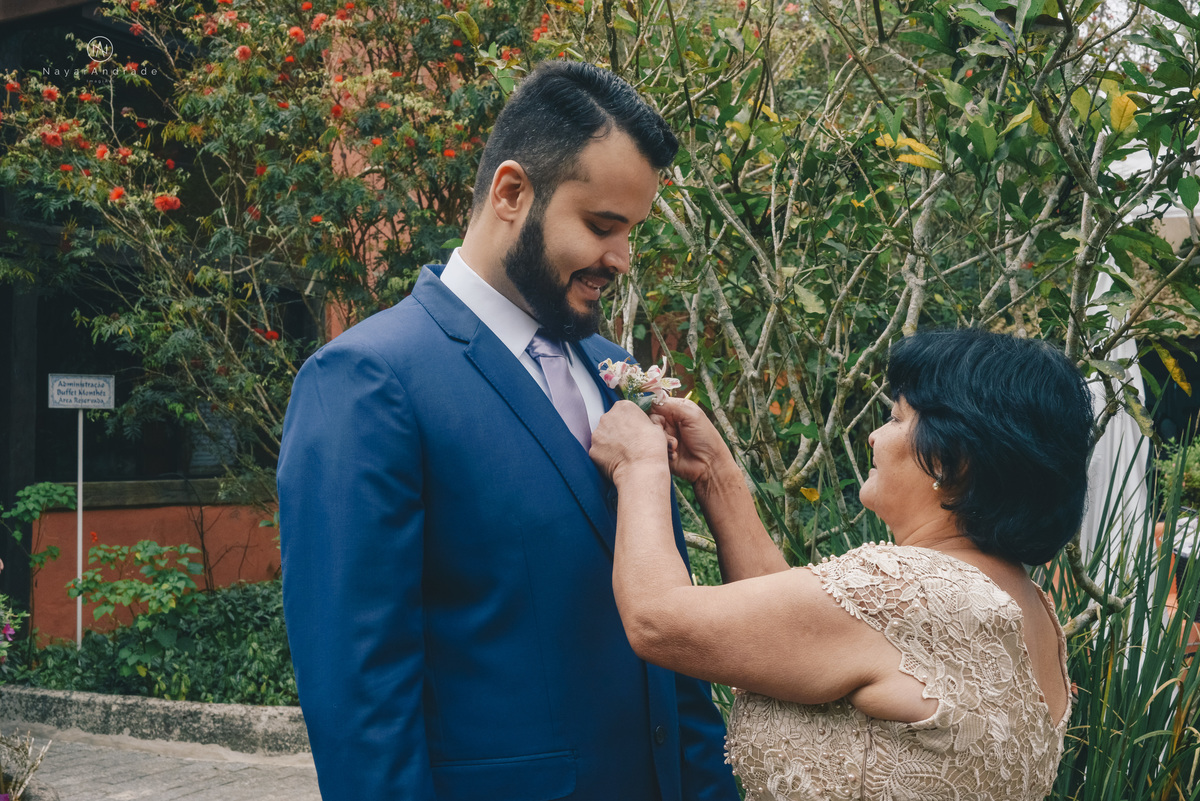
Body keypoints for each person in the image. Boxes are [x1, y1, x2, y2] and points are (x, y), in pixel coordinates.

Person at [276, 61, 738, 801]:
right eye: (601, 227)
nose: (621, 259)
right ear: (513, 193)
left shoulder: (615, 368)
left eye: (632, 232)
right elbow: (363, 704)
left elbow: (669, 649)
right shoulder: (367, 382)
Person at [590, 329, 1092, 801]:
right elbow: (794, 634)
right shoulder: (1028, 608)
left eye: (896, 418)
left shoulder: (915, 591)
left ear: (950, 458)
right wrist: (716, 476)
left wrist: (640, 466)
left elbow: (657, 619)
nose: (874, 436)